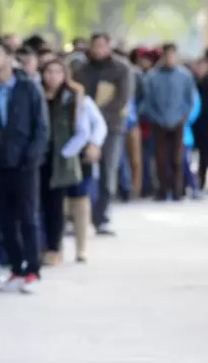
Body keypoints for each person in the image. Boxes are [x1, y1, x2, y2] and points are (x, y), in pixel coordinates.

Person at [0, 35, 48, 293]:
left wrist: (32, 157)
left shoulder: (28, 87)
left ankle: (33, 269)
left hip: (25, 163)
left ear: (10, 57)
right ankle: (16, 268)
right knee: (5, 219)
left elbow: (41, 127)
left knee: (28, 217)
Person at [40, 58, 107, 264]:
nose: (53, 77)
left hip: (77, 155)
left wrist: (92, 145)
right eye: (48, 71)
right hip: (49, 157)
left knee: (79, 201)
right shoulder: (38, 95)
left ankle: (81, 247)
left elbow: (97, 125)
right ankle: (54, 246)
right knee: (54, 203)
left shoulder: (78, 96)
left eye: (57, 72)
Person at [72, 32, 134, 235]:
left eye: (101, 45)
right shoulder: (81, 70)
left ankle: (102, 217)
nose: (98, 50)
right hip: (84, 128)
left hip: (112, 127)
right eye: (95, 45)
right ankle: (80, 216)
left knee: (108, 171)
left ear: (109, 46)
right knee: (82, 171)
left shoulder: (122, 69)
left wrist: (97, 115)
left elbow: (123, 98)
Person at [139, 42, 197, 201]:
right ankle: (163, 190)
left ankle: (178, 190)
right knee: (161, 158)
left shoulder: (185, 76)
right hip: (158, 123)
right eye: (167, 55)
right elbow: (147, 101)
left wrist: (184, 117)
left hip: (178, 122)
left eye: (172, 55)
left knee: (178, 157)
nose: (169, 58)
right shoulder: (152, 77)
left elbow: (190, 100)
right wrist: (155, 117)